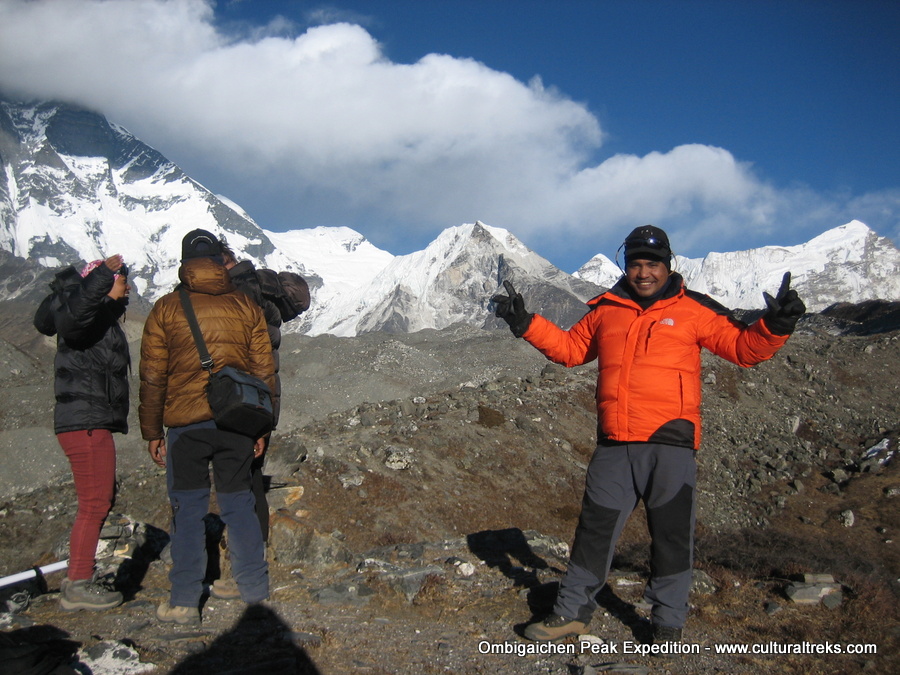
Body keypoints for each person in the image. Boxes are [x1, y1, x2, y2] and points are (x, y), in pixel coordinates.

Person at [491, 225, 805, 643]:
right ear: (627, 266)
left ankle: (668, 623)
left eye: (652, 264)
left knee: (671, 538)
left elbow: (744, 349)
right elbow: (571, 350)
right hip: (615, 444)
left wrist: (777, 323)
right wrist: (525, 322)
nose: (643, 273)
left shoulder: (695, 309)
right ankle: (571, 613)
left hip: (670, 443)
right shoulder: (607, 309)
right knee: (593, 532)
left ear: (667, 266)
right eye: (636, 264)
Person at [139, 229, 276, 625]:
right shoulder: (246, 306)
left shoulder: (166, 308)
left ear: (185, 264)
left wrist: (152, 431)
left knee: (188, 510)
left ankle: (184, 601)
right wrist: (262, 428)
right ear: (219, 261)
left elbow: (152, 376)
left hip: (186, 428)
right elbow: (263, 371)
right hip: (236, 423)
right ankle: (254, 590)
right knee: (239, 504)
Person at [208, 241, 308, 599]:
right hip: (258, 403)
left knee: (237, 487)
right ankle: (251, 566)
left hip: (239, 403)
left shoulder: (240, 293)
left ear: (224, 263)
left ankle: (244, 572)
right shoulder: (263, 298)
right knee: (249, 482)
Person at [39, 255, 131, 611]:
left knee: (95, 500)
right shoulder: (84, 316)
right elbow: (76, 316)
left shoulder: (97, 317)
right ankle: (78, 582)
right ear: (102, 283)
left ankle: (79, 578)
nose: (128, 287)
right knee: (94, 502)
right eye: (122, 280)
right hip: (87, 421)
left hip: (87, 420)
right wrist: (104, 275)